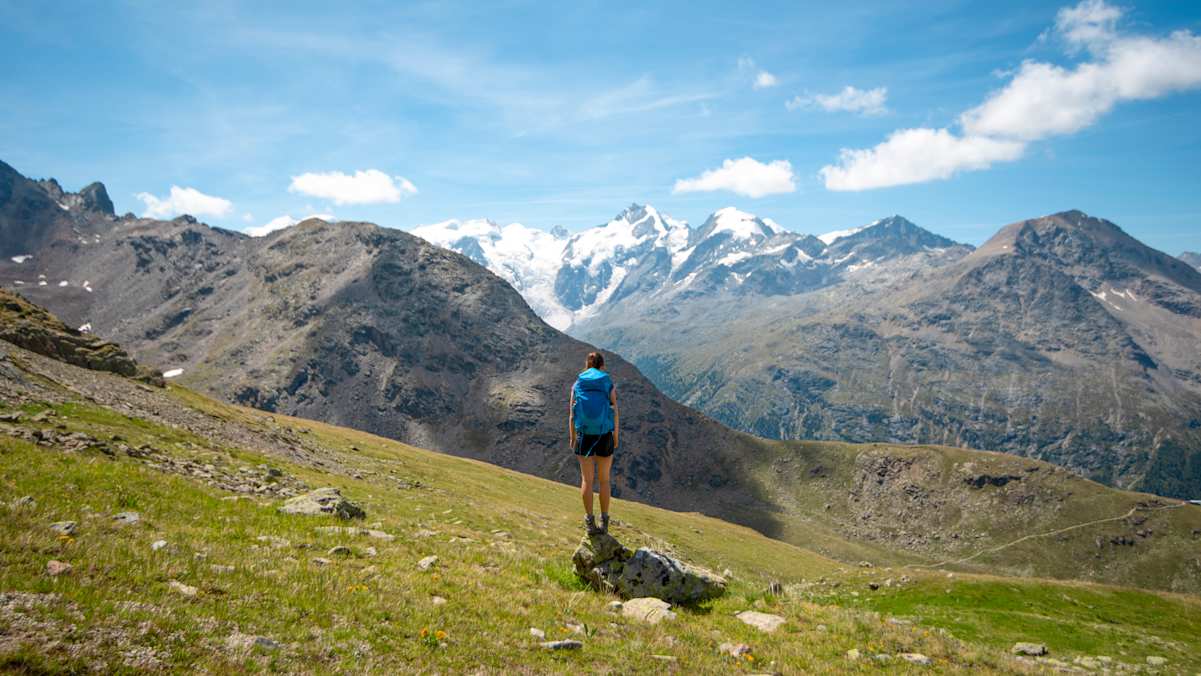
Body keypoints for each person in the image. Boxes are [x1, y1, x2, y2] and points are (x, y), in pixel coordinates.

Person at [569, 351, 618, 535]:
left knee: (587, 481)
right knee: (604, 481)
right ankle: (604, 522)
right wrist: (615, 436)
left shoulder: (577, 384)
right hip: (604, 434)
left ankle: (590, 523)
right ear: (602, 366)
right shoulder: (607, 383)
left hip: (584, 435)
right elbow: (615, 411)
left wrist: (573, 437)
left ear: (587, 365)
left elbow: (572, 414)